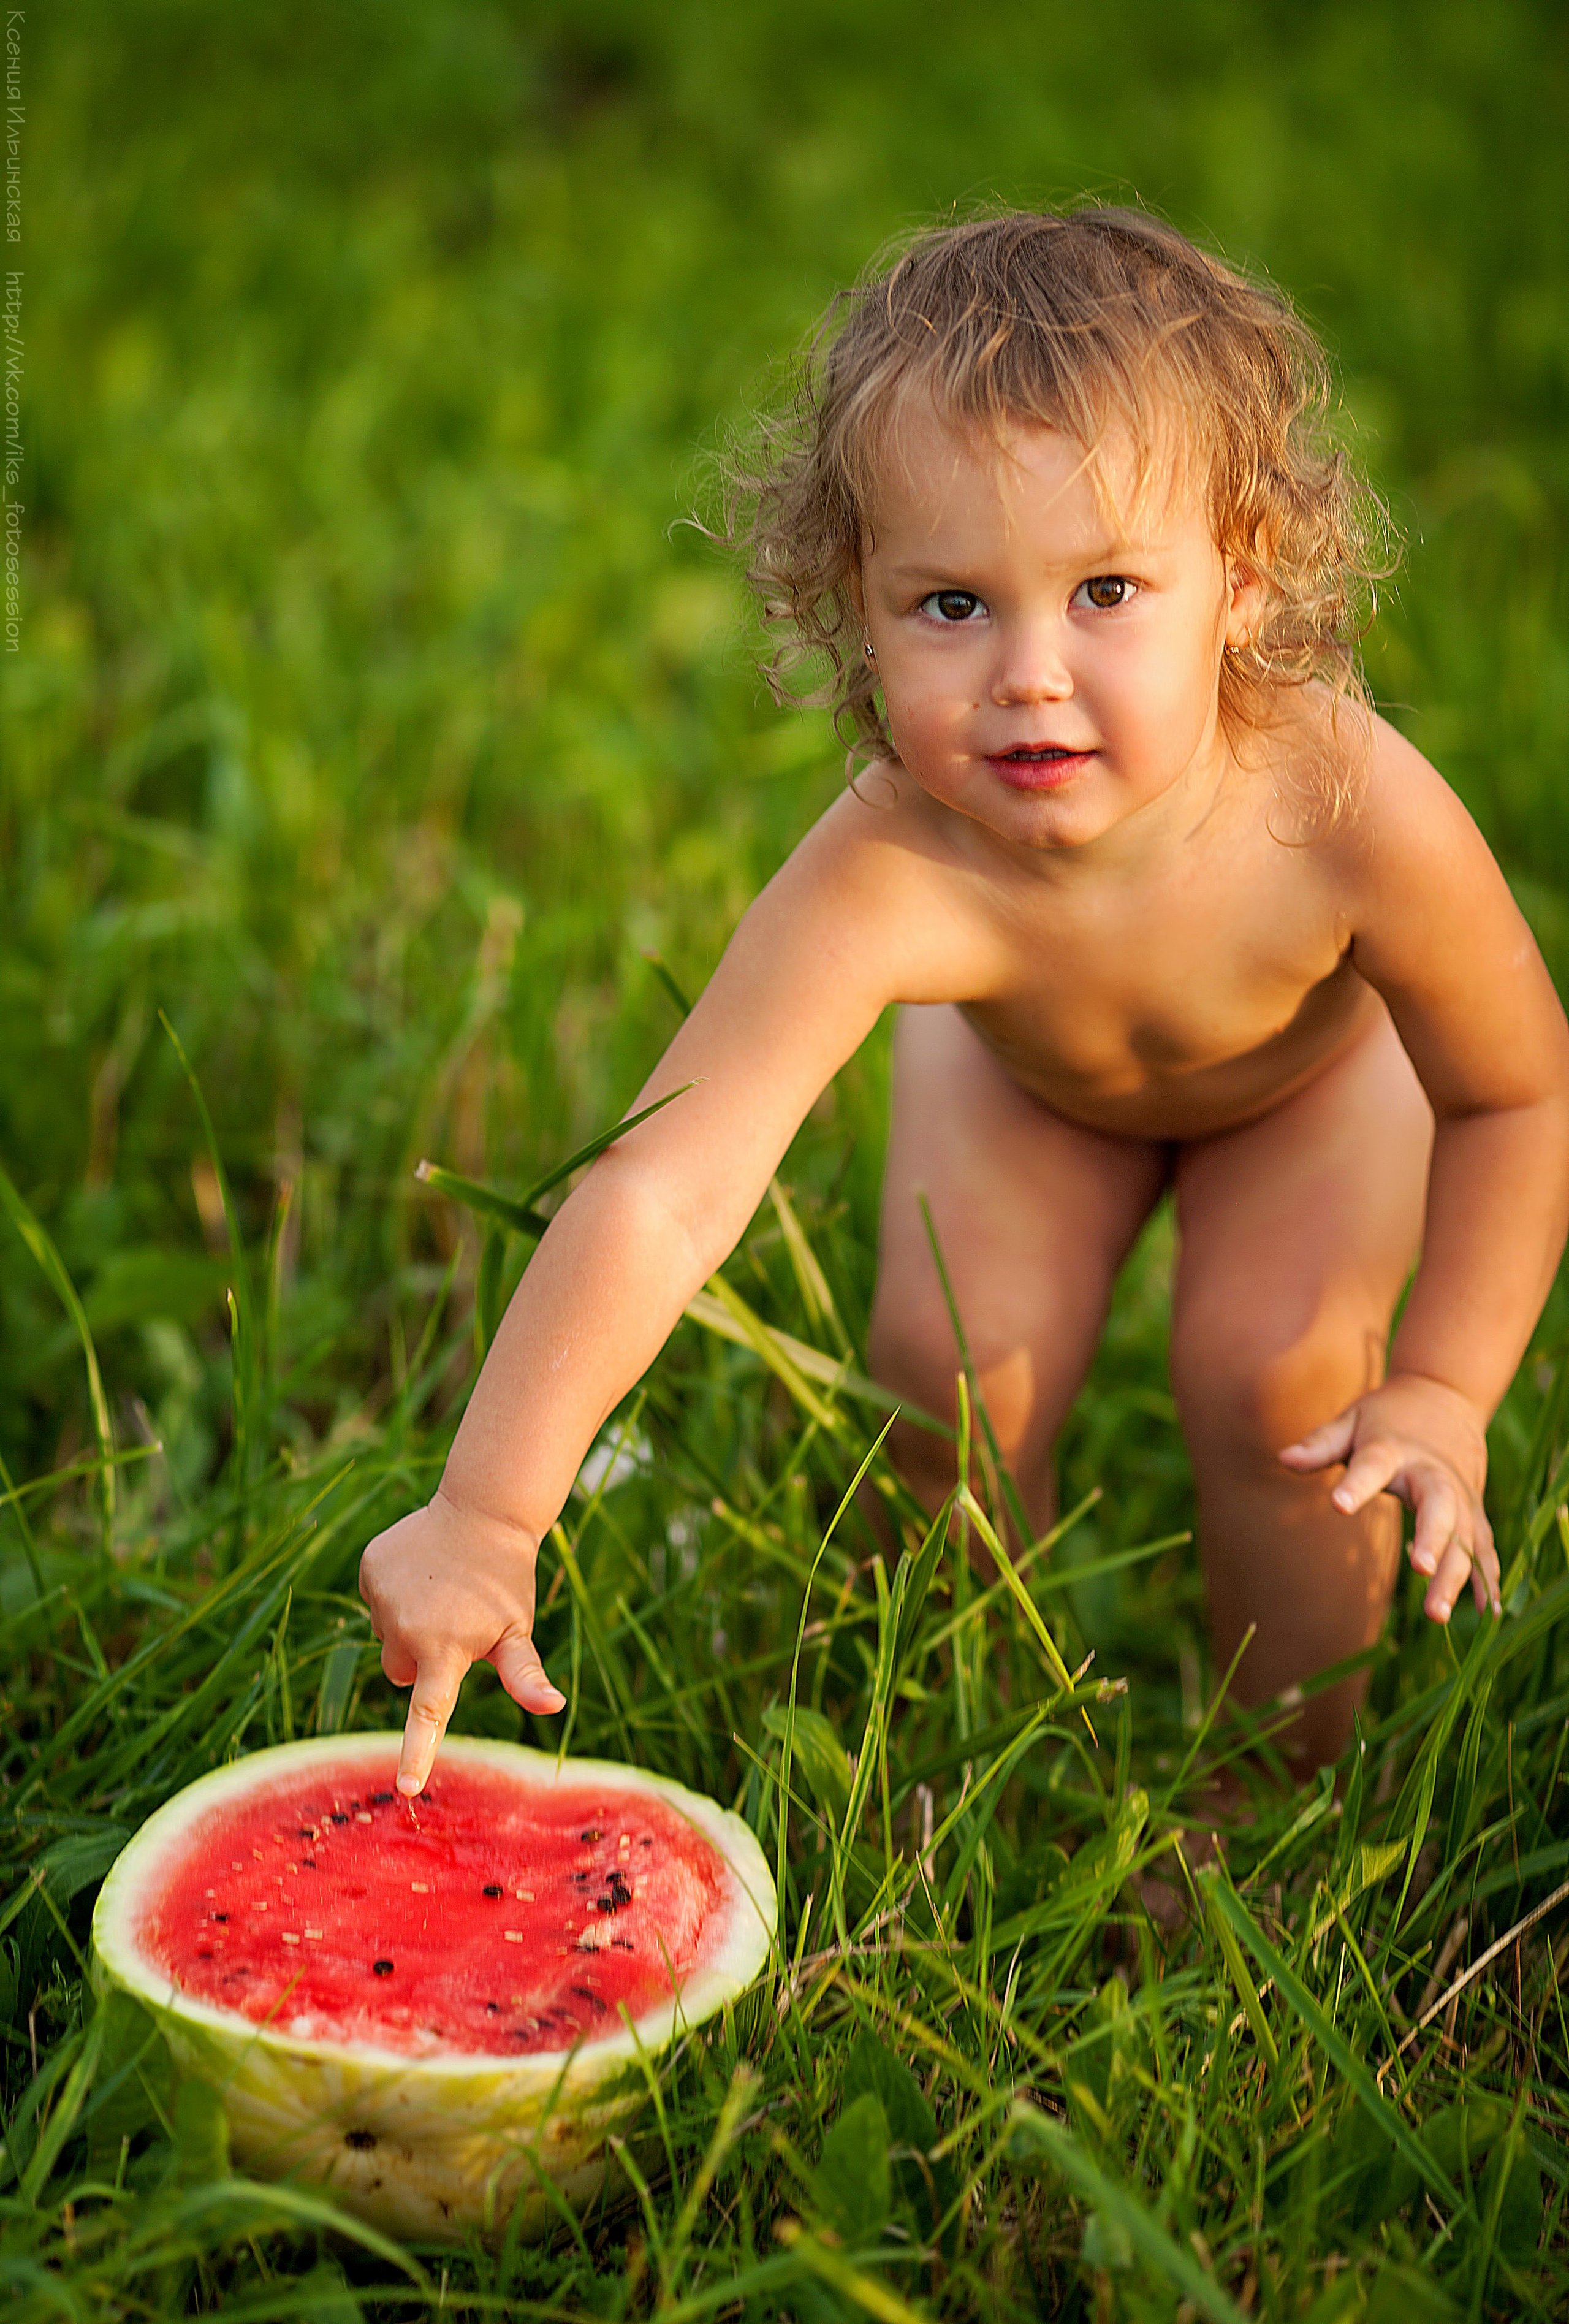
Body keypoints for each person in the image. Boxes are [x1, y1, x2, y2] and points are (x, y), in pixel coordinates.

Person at [360, 207, 1569, 1791]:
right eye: (952, 605)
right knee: (946, 1375)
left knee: (1277, 1387)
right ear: (853, 609)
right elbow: (664, 1187)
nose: (1029, 673)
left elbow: (1515, 1090)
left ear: (1245, 583)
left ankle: (1277, 1788)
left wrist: (1445, 1383)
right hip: (1029, 1084)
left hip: (1310, 1090)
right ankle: (958, 1728)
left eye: (1109, 591)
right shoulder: (894, 862)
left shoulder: (1345, 809)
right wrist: (490, 1510)